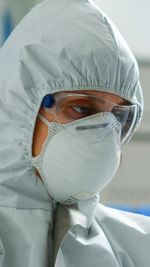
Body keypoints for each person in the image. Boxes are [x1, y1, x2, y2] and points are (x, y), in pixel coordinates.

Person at [0, 0, 150, 266]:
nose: (103, 135)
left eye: (118, 117)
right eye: (81, 108)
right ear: (19, 107)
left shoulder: (138, 247)